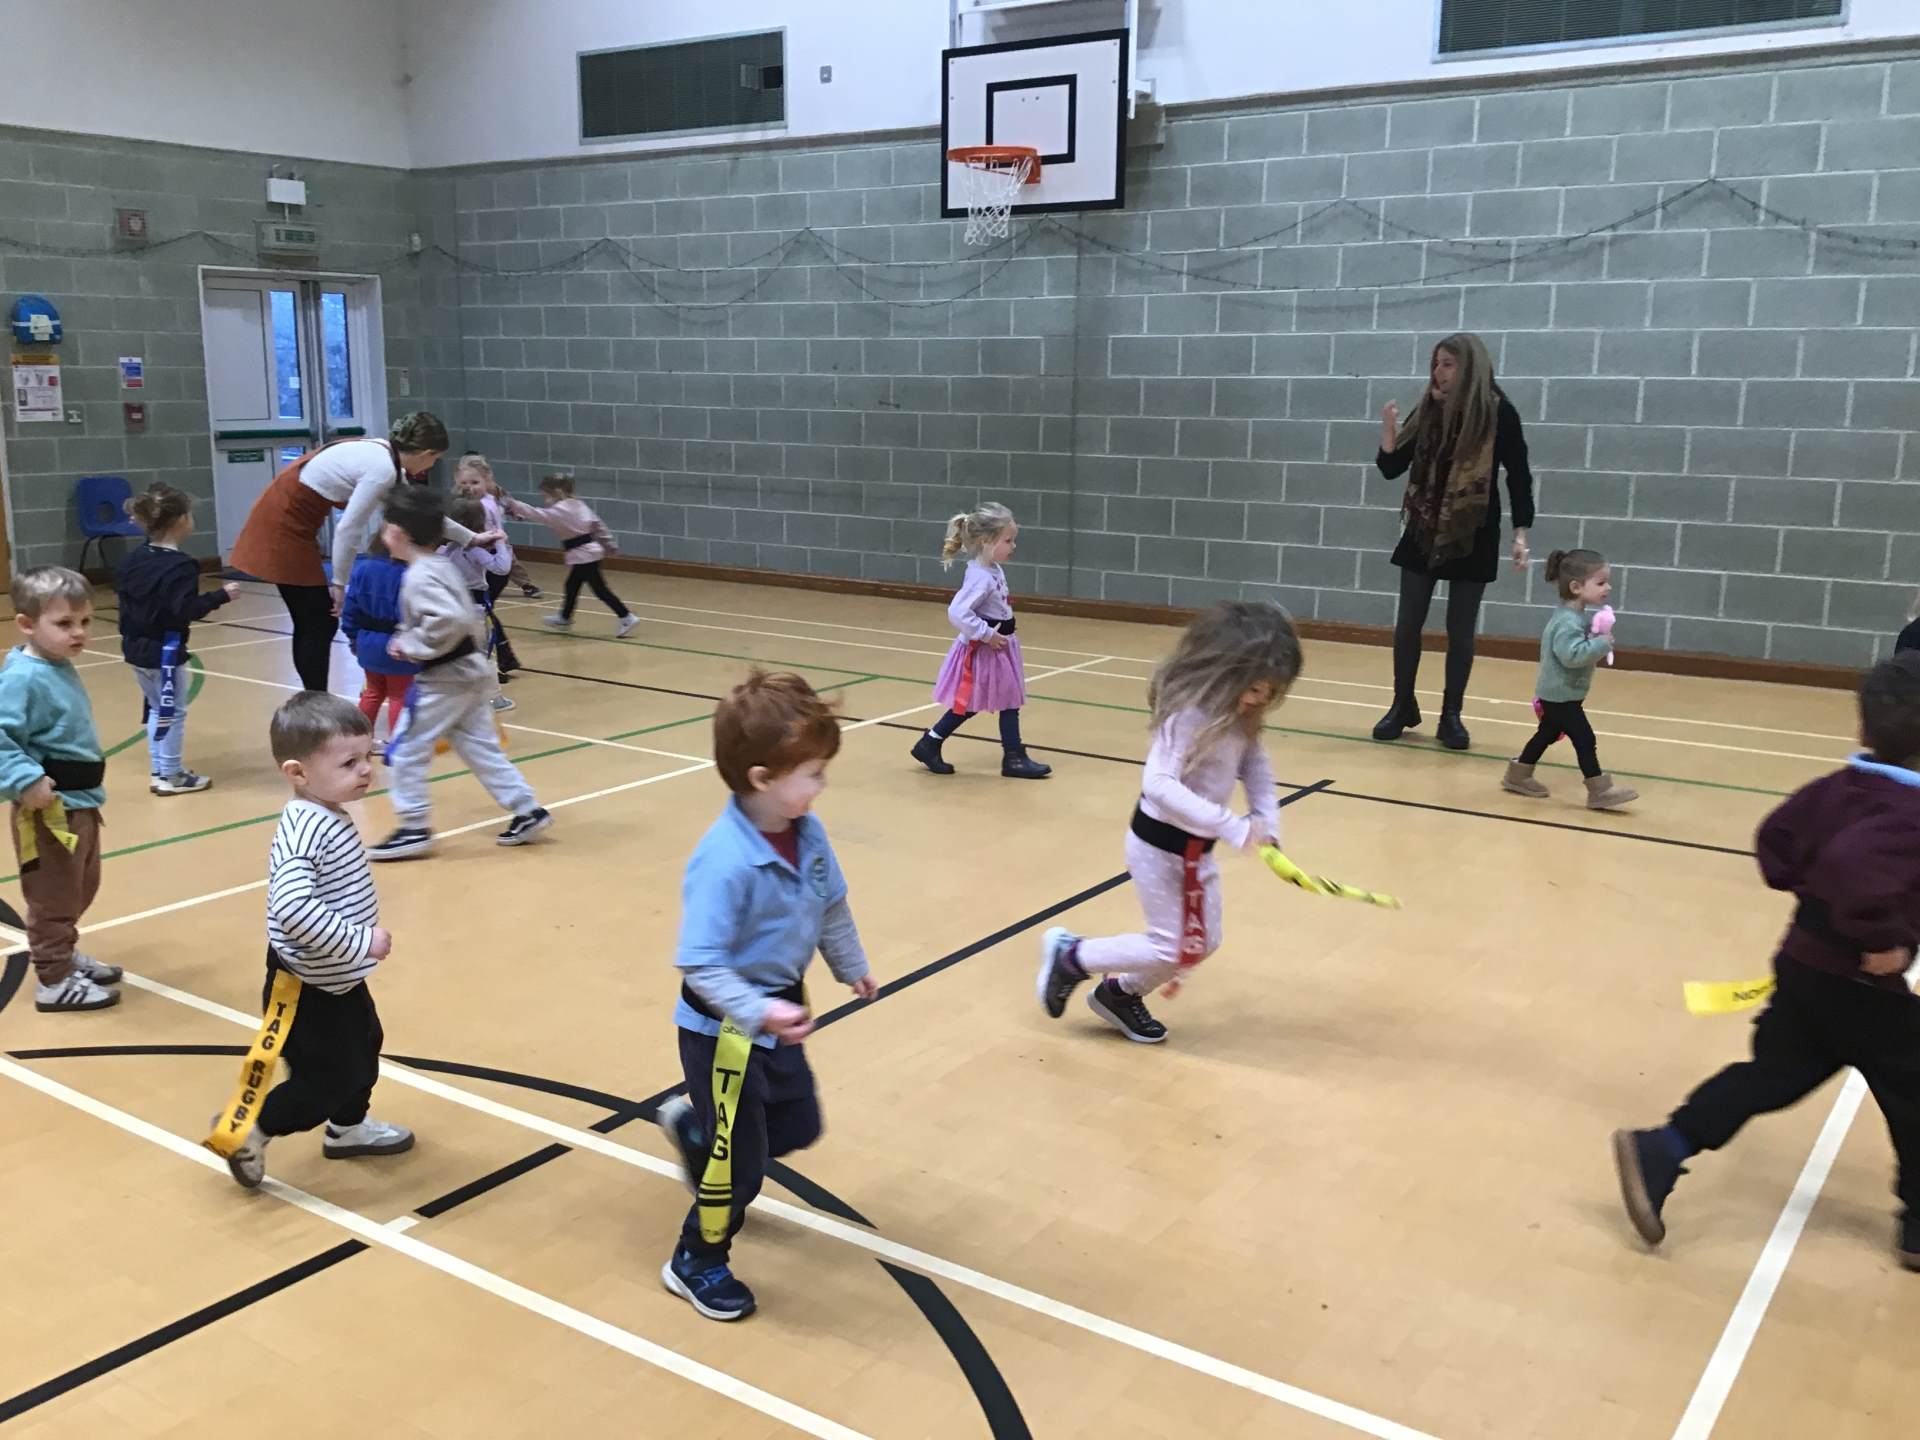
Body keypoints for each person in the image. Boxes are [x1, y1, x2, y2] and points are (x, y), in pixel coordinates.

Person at [1611, 652, 1920, 1273]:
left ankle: (1664, 1145)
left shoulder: (1840, 789)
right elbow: (1853, 869)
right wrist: (1883, 938)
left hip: (1804, 964)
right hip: (1859, 982)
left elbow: (1775, 840)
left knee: (1777, 1073)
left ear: (1864, 729)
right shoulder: (1907, 813)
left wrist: (1813, 894)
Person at [654, 672, 877, 1321]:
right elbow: (699, 962)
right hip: (723, 1028)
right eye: (812, 774)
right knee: (739, 1170)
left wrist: (851, 966)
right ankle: (697, 1259)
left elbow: (831, 905)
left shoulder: (806, 831)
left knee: (799, 1124)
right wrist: (757, 1011)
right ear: (761, 779)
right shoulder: (724, 860)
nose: (822, 784)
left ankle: (699, 1132)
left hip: (778, 1012)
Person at [1036, 601, 1301, 1044]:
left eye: (1270, 692)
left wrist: (1265, 820)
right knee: (1171, 944)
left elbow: (1255, 766)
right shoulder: (1188, 714)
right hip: (1157, 847)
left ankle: (1119, 995)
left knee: (1203, 942)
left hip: (1197, 851)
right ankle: (1073, 956)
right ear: (1225, 670)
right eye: (1254, 688)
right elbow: (1158, 784)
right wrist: (1232, 825)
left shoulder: (1241, 717)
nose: (1260, 699)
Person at [207, 691, 410, 1188]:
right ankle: (250, 1129)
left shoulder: (327, 811)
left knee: (364, 1046)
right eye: (348, 763)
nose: (366, 770)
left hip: (335, 978)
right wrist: (359, 941)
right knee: (328, 1077)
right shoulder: (306, 828)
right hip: (306, 984)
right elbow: (292, 908)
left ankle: (347, 1128)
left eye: (367, 756)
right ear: (298, 773)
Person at [228, 412, 480, 691]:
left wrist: (471, 538)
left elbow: (419, 513)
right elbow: (348, 528)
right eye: (435, 459)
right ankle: (315, 699)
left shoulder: (386, 458)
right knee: (316, 620)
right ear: (426, 453)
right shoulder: (382, 469)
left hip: (293, 519)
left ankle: (314, 697)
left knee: (315, 620)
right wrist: (339, 583)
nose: (431, 466)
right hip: (283, 522)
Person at [366, 486, 551, 860]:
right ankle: (527, 809)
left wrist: (410, 644)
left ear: (397, 533)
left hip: (445, 679)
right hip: (469, 674)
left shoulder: (420, 575)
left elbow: (449, 619)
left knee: (404, 751)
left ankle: (413, 827)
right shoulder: (439, 567)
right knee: (479, 748)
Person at [1371, 334, 1535, 752]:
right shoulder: (1428, 408)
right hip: (1424, 525)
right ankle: (1402, 705)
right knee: (1409, 622)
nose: (1438, 372)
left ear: (1469, 367)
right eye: (1436, 363)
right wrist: (1389, 430)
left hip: (1472, 527)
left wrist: (1521, 532)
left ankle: (1451, 716)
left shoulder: (1499, 412)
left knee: (1460, 630)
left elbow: (1518, 474)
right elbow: (1391, 467)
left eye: (1447, 364)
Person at [0, 567, 122, 1012]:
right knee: (53, 895)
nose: (79, 632)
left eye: (85, 621)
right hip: (49, 810)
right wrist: (25, 780)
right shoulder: (23, 677)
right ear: (27, 624)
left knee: (81, 886)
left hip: (82, 803)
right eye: (65, 623)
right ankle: (53, 977)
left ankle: (65, 953)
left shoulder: (56, 665)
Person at [909, 502, 1050, 780]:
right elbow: (958, 611)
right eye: (1008, 541)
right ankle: (1012, 757)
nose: (1013, 546)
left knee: (996, 701)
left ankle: (932, 743)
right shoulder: (980, 577)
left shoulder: (993, 569)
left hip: (1000, 647)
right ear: (986, 541)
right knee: (991, 702)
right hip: (985, 651)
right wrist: (986, 634)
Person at [115, 482, 239, 795]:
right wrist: (220, 596)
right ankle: (171, 775)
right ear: (181, 520)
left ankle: (161, 769)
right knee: (171, 711)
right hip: (165, 651)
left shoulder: (133, 559)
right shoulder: (180, 566)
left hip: (134, 646)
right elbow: (185, 610)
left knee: (157, 708)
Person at [1500, 548, 1638, 811]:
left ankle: (1518, 774)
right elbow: (1571, 656)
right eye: (1601, 583)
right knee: (1585, 739)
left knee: (1547, 733)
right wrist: (1600, 644)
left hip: (1559, 693)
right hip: (1560, 695)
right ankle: (1599, 790)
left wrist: (1594, 638)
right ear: (1576, 587)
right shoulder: (1568, 622)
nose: (1608, 588)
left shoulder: (1573, 617)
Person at [499, 474, 637, 635]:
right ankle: (564, 617)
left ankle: (626, 616)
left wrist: (512, 503)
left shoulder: (561, 510)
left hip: (584, 556)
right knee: (572, 585)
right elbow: (598, 525)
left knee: (600, 590)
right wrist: (609, 543)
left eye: (546, 496)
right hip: (588, 553)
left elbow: (538, 514)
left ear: (558, 492)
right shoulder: (579, 505)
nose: (545, 500)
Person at [338, 535, 418, 740]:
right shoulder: (408, 574)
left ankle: (360, 742)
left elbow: (350, 609)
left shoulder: (362, 569)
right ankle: (399, 746)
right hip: (398, 644)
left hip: (367, 642)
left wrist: (353, 637)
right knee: (399, 696)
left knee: (372, 692)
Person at [458, 451, 540, 598]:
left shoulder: (494, 492)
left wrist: (514, 512)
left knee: (508, 562)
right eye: (465, 482)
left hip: (494, 537)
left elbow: (507, 502)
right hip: (473, 538)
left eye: (475, 481)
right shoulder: (460, 494)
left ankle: (525, 584)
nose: (469, 486)